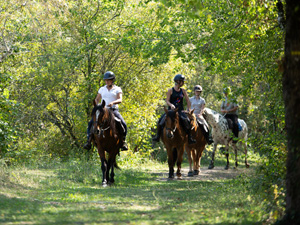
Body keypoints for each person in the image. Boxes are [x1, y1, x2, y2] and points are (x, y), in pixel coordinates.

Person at [83, 71, 128, 151]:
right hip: (103, 111)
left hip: (113, 110)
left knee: (123, 123)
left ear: (112, 80)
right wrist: (97, 105)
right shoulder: (102, 89)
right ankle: (88, 140)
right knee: (91, 123)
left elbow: (120, 99)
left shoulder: (117, 89)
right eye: (105, 80)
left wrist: (113, 102)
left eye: (108, 80)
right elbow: (97, 99)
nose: (106, 82)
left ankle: (123, 141)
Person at [152, 74, 196, 144]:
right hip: (171, 111)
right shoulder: (170, 90)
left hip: (180, 110)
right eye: (182, 81)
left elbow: (188, 101)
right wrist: (171, 105)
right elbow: (167, 101)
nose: (183, 83)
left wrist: (188, 109)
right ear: (178, 81)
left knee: (187, 121)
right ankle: (157, 136)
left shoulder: (183, 90)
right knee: (161, 120)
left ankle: (190, 138)